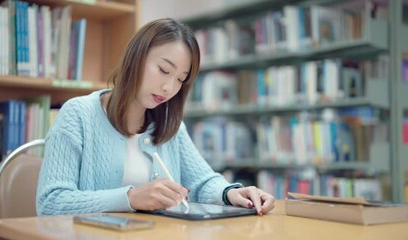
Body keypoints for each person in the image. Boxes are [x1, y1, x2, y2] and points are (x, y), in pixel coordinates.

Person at [36, 18, 275, 216]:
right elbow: (51, 202)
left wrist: (230, 193)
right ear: (136, 57)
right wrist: (130, 198)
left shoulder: (170, 125)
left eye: (181, 79)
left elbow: (202, 182)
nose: (168, 87)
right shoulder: (78, 115)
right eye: (163, 70)